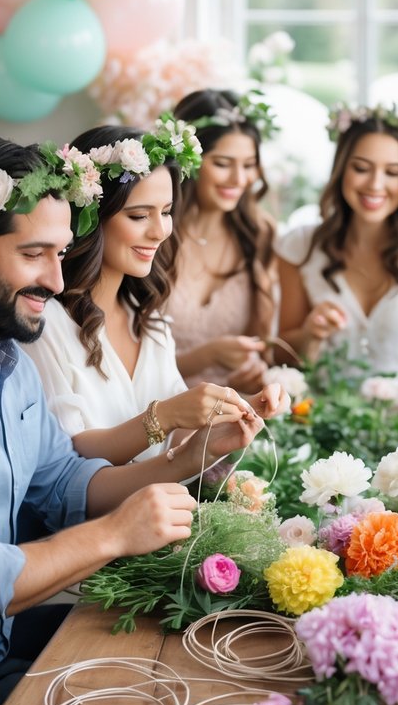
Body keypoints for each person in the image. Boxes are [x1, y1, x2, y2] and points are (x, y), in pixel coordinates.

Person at [0, 135, 276, 705]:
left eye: (61, 253)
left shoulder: (8, 359)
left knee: (197, 659)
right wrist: (114, 537)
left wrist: (193, 457)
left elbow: (63, 482)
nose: (55, 278)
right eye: (33, 254)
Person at [25, 118, 282, 466]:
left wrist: (238, 408)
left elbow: (175, 443)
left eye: (165, 212)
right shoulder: (46, 324)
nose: (160, 231)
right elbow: (67, 456)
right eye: (138, 216)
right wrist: (163, 416)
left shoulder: (149, 319)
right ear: (91, 217)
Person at [276, 104, 398, 375]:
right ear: (342, 169)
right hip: (318, 412)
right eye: (361, 168)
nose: (375, 185)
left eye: (392, 172)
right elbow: (280, 357)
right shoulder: (299, 247)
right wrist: (311, 334)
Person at [166, 89, 278, 392]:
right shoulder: (156, 234)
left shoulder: (258, 235)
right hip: (153, 407)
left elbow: (262, 345)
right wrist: (206, 356)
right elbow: (121, 363)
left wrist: (251, 372)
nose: (239, 179)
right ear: (188, 161)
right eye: (223, 163)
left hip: (230, 409)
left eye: (249, 164)